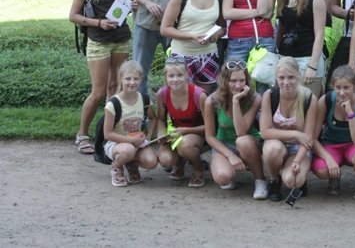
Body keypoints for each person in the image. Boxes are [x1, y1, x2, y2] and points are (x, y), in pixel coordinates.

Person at [69, 0, 131, 155]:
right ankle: (82, 135)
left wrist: (128, 7)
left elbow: (116, 9)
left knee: (116, 88)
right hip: (99, 41)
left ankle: (108, 134)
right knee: (98, 92)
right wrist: (99, 23)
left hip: (121, 38)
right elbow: (73, 16)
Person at [160, 0, 226, 94]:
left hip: (208, 54)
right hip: (182, 55)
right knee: (181, 96)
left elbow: (222, 26)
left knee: (204, 98)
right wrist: (192, 36)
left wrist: (216, 35)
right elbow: (165, 29)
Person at [203, 60, 268, 199]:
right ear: (224, 81)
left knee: (242, 141)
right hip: (224, 144)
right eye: (233, 81)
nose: (238, 85)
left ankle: (260, 180)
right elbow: (210, 137)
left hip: (249, 142)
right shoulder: (212, 101)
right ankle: (229, 171)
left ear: (247, 81)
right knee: (223, 177)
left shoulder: (255, 98)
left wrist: (235, 101)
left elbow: (241, 131)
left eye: (242, 80)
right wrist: (229, 155)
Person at [311, 65, 355, 200]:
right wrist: (328, 159)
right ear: (332, 86)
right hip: (331, 145)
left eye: (346, 88)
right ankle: (334, 176)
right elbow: (313, 138)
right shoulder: (326, 100)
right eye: (338, 88)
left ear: (354, 86)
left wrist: (350, 114)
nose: (341, 92)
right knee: (321, 170)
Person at [260, 57, 318, 205]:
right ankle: (274, 180)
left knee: (292, 181)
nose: (286, 82)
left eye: (291, 77)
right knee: (272, 149)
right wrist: (296, 133)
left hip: (299, 148)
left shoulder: (309, 98)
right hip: (277, 144)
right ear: (276, 78)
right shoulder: (270, 95)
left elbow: (308, 138)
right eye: (281, 78)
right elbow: (265, 132)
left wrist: (297, 160)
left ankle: (297, 177)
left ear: (298, 75)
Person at [276, 0, 327, 98]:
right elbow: (281, 28)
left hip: (307, 58)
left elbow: (320, 34)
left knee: (308, 104)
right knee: (287, 104)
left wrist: (312, 66)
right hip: (285, 58)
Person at [102, 60, 158, 187]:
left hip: (136, 141)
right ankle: (117, 167)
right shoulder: (113, 104)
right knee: (128, 150)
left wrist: (148, 137)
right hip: (115, 143)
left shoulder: (144, 99)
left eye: (136, 79)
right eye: (128, 78)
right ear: (120, 79)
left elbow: (153, 118)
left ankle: (131, 163)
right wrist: (130, 141)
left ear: (141, 80)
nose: (132, 82)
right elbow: (107, 134)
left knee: (151, 162)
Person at [156, 57, 208, 187]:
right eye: (171, 76)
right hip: (176, 134)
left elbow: (211, 126)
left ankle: (198, 168)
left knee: (185, 146)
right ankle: (179, 161)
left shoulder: (199, 95)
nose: (175, 79)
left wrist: (185, 131)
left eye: (179, 75)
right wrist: (161, 134)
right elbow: (161, 119)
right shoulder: (162, 94)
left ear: (186, 75)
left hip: (200, 134)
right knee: (165, 160)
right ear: (165, 77)